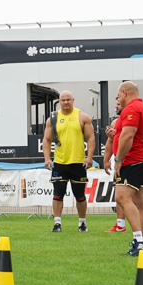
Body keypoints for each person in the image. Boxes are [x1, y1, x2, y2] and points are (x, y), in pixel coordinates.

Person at [41, 91, 96, 232]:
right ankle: (57, 223)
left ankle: (82, 223)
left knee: (80, 195)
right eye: (63, 100)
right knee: (58, 194)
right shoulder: (52, 118)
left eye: (68, 100)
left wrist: (89, 157)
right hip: (60, 162)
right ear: (59, 101)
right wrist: (47, 159)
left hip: (78, 162)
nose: (66, 102)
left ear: (73, 100)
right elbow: (46, 140)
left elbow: (91, 138)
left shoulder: (82, 117)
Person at [113, 81, 143, 256]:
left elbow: (128, 134)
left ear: (124, 93)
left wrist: (119, 159)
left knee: (122, 197)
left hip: (133, 159)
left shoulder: (132, 109)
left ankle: (138, 242)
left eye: (118, 96)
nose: (118, 100)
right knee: (142, 202)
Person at [103, 101, 127, 232]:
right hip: (119, 163)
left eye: (118, 104)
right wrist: (106, 160)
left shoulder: (136, 117)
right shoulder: (115, 123)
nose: (115, 106)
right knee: (119, 194)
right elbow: (110, 142)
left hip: (135, 162)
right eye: (115, 103)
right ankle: (120, 225)